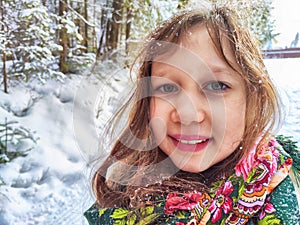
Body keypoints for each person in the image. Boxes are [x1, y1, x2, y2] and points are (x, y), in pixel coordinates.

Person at [84, 3, 300, 225]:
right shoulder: (123, 190)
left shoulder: (288, 196)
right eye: (167, 88)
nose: (188, 115)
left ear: (252, 97)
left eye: (216, 86)